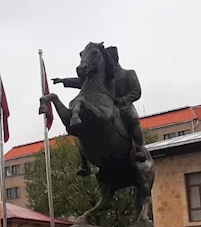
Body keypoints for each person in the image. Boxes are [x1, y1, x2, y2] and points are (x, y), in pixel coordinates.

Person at [53, 45, 145, 175]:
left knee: (133, 118)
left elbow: (136, 91)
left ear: (115, 59)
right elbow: (82, 82)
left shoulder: (128, 73)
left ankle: (139, 148)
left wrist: (123, 100)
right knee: (86, 128)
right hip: (104, 106)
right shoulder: (103, 78)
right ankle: (84, 162)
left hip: (123, 106)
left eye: (108, 59)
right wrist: (64, 81)